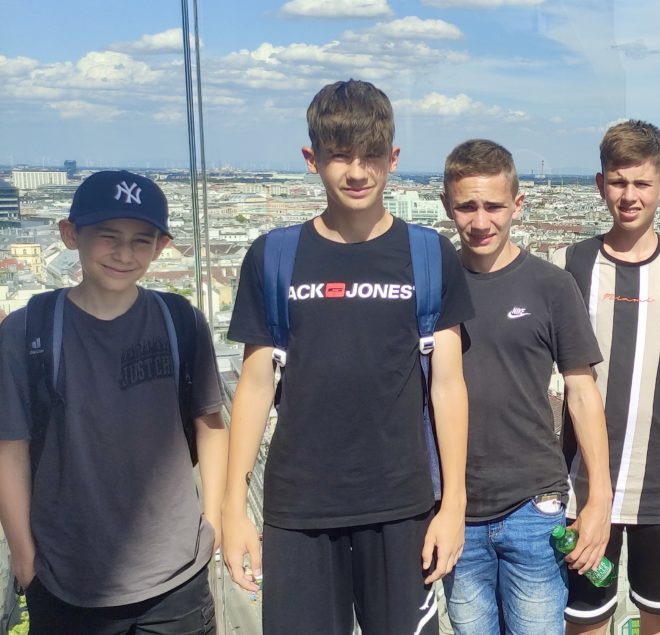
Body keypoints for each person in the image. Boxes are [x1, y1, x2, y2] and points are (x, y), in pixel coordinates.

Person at [221, 79, 475, 635]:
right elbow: (255, 386)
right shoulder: (274, 257)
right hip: (299, 511)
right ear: (312, 159)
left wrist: (453, 504)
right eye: (340, 155)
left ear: (393, 158)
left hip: (402, 506)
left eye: (371, 155)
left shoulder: (429, 255)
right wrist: (233, 507)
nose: (358, 172)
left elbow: (448, 386)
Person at [0, 170, 226, 634]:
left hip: (177, 576)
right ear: (70, 235)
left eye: (141, 241)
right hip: (67, 579)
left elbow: (210, 423)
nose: (124, 254)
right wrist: (25, 559)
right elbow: (9, 448)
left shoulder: (182, 321)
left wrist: (213, 522)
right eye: (108, 237)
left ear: (161, 247)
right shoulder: (26, 331)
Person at [437, 139, 613, 633]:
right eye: (467, 207)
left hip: (533, 504)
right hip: (455, 507)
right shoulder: (434, 286)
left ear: (517, 204)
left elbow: (582, 392)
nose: (480, 221)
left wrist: (599, 497)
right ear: (446, 205)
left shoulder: (550, 285)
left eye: (493, 206)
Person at [554, 120, 660, 635]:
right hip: (583, 479)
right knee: (585, 617)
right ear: (600, 184)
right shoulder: (570, 263)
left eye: (641, 183)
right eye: (619, 182)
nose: (629, 196)